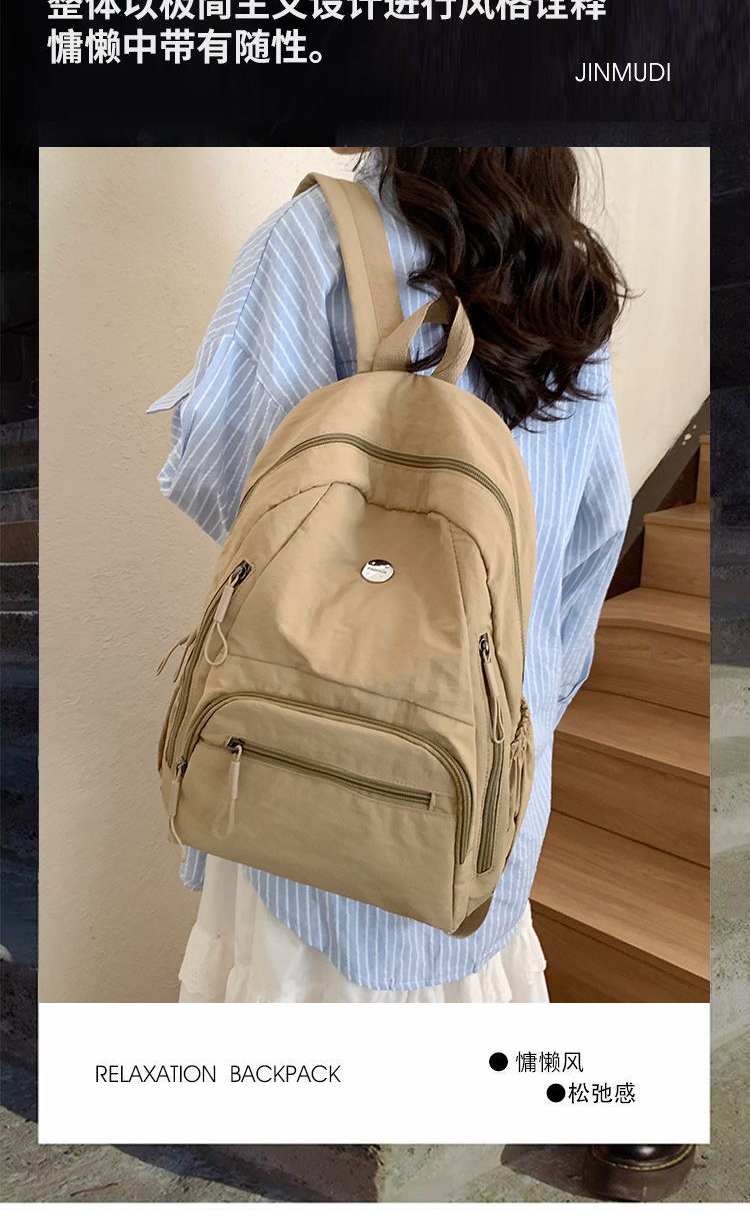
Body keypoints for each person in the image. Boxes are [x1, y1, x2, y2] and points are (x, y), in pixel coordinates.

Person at [147, 146, 632, 1003]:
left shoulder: (314, 241)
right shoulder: (566, 269)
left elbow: (242, 511)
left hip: (302, 784)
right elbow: (595, 536)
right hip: (474, 813)